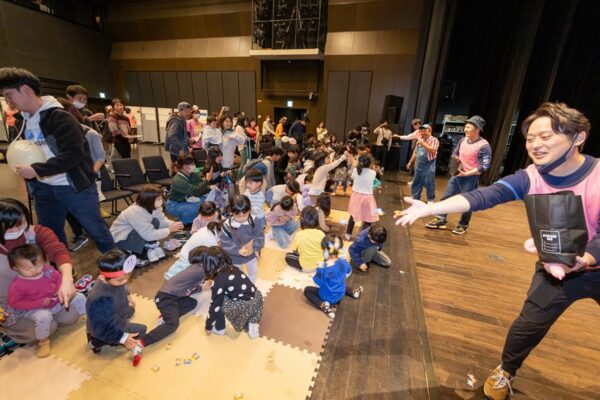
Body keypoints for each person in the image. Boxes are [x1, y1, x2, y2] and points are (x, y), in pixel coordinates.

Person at [395, 102, 600, 400]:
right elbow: (486, 195)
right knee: (528, 325)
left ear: (578, 137)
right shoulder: (531, 176)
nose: (535, 145)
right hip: (556, 267)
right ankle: (507, 370)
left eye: (545, 137)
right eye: (530, 138)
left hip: (591, 264)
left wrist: (586, 257)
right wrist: (431, 208)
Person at [0, 67, 115, 254]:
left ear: (26, 90)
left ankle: (117, 266)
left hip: (73, 186)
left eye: (8, 94)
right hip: (43, 188)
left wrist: (37, 169)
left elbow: (73, 154)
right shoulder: (22, 121)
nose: (8, 101)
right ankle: (60, 270)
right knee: (50, 237)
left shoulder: (59, 117)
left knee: (96, 229)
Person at [0, 198, 80, 345]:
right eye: (10, 227)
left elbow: (58, 251)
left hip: (46, 294)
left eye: (21, 223)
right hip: (15, 305)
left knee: (71, 316)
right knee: (46, 329)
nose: (17, 230)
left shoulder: (35, 233)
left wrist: (67, 280)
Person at [6, 244, 86, 357]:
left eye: (38, 265)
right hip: (35, 309)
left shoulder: (47, 269)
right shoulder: (17, 285)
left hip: (56, 302)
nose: (35, 270)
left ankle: (87, 318)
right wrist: (39, 303)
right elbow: (14, 303)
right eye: (28, 269)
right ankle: (43, 342)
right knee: (44, 316)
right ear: (15, 268)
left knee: (79, 297)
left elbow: (58, 278)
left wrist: (60, 288)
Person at [135, 246, 210, 354]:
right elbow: (213, 273)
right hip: (166, 297)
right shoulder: (200, 269)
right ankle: (141, 342)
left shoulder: (196, 269)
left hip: (174, 296)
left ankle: (165, 315)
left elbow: (191, 287)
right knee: (172, 325)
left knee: (192, 303)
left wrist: (202, 288)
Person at [424, 115, 491, 234]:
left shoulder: (484, 145)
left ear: (477, 129)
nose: (465, 129)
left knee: (467, 202)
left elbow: (485, 165)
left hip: (470, 177)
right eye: (465, 127)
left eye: (468, 127)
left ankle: (463, 224)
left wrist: (468, 173)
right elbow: (455, 153)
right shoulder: (463, 140)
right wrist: (457, 161)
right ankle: (441, 219)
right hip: (457, 174)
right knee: (446, 197)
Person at [56, 97, 107, 250]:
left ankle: (104, 243)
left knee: (92, 215)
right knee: (68, 211)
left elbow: (100, 157)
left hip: (86, 179)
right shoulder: (56, 135)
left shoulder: (89, 133)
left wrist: (91, 173)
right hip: (64, 180)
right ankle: (79, 235)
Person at [86, 249, 147, 366]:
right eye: (120, 280)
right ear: (103, 277)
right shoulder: (100, 299)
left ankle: (105, 337)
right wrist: (123, 338)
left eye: (128, 276)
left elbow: (122, 285)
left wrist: (127, 295)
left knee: (131, 309)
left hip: (115, 312)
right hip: (105, 326)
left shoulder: (114, 280)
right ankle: (96, 342)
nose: (125, 281)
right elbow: (103, 327)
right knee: (141, 330)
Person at [110, 184, 183, 265]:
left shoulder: (154, 206)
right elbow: (148, 235)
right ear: (149, 200)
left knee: (155, 222)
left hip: (136, 232)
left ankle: (148, 246)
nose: (161, 201)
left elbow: (161, 220)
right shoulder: (135, 212)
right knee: (147, 229)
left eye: (161, 198)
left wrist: (173, 224)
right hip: (121, 239)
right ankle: (132, 254)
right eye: (158, 199)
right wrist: (169, 230)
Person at [204, 247, 263, 339]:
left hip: (245, 306)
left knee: (218, 302)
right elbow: (229, 282)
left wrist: (208, 326)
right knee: (223, 295)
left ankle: (220, 329)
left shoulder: (218, 282)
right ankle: (252, 321)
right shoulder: (233, 268)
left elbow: (215, 307)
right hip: (257, 299)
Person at [303, 234, 363, 319]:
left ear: (324, 251)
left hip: (327, 297)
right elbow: (349, 272)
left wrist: (318, 269)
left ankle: (323, 305)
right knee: (339, 282)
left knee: (307, 290)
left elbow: (317, 283)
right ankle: (353, 292)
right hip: (340, 294)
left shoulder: (323, 268)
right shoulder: (343, 261)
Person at [220, 195, 265, 283]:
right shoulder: (226, 226)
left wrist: (256, 248)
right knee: (237, 273)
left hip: (251, 253)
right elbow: (225, 243)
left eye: (245, 215)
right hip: (235, 256)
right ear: (231, 212)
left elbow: (259, 235)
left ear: (249, 210)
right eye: (237, 216)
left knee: (253, 271)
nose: (241, 218)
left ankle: (251, 283)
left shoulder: (254, 220)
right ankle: (240, 285)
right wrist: (237, 251)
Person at [166, 154, 214, 226]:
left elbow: (202, 187)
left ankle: (194, 216)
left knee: (209, 199)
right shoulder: (178, 180)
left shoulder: (192, 174)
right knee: (196, 206)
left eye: (193, 163)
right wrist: (207, 180)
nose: (194, 165)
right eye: (191, 164)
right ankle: (185, 222)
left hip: (187, 199)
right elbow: (195, 191)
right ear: (184, 166)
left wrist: (211, 190)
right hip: (175, 205)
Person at [398, 123, 439, 203]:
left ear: (430, 131)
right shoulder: (419, 141)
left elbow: (433, 150)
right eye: (421, 131)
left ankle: (430, 200)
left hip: (429, 165)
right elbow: (415, 153)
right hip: (418, 164)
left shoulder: (434, 140)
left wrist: (423, 144)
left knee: (429, 182)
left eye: (425, 131)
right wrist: (410, 162)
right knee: (417, 181)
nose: (422, 132)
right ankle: (415, 197)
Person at [344, 154, 378, 240]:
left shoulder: (356, 170)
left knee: (353, 216)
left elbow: (352, 177)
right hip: (367, 198)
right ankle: (362, 237)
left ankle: (348, 234)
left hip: (356, 196)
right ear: (370, 164)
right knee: (368, 219)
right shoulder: (373, 173)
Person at [285, 206, 326, 272]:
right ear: (316, 220)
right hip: (319, 265)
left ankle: (301, 269)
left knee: (287, 256)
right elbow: (325, 249)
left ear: (302, 220)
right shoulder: (321, 234)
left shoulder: (299, 234)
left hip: (305, 266)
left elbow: (294, 250)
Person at [244, 168, 267, 233]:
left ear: (258, 183)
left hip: (259, 218)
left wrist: (246, 208)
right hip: (250, 216)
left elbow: (256, 209)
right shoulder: (247, 191)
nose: (247, 185)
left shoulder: (260, 196)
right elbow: (245, 199)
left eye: (250, 183)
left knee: (258, 232)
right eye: (246, 182)